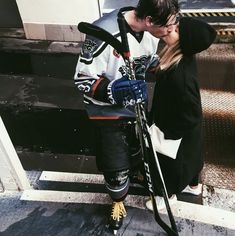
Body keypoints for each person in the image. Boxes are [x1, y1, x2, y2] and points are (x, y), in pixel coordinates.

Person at [74, 0, 179, 232]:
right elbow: (82, 80)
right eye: (169, 26)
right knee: (115, 164)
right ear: (150, 20)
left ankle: (135, 174)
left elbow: (147, 62)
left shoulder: (150, 32)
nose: (172, 30)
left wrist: (166, 66)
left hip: (136, 107)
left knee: (137, 150)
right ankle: (118, 202)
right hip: (107, 113)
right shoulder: (102, 32)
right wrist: (113, 89)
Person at [144, 17, 217, 210]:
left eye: (175, 30)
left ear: (184, 42)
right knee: (191, 158)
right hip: (189, 131)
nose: (169, 30)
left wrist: (168, 133)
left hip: (175, 129)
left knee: (169, 163)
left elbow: (190, 113)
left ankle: (166, 196)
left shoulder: (180, 77)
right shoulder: (181, 59)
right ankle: (193, 186)